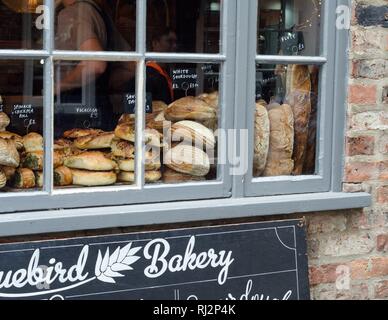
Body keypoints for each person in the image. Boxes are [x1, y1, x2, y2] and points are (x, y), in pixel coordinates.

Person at [54, 0, 131, 136]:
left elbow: (95, 64)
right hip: (103, 109)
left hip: (75, 111)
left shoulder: (73, 13)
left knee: (68, 155)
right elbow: (132, 65)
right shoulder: (100, 15)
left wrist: (56, 87)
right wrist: (105, 85)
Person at [146, 29, 177, 105]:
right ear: (155, 43)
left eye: (175, 42)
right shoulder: (148, 74)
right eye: (169, 41)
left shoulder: (164, 71)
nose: (174, 46)